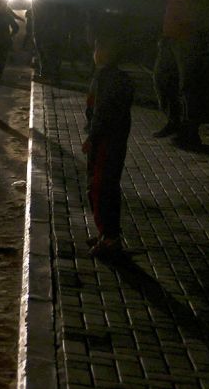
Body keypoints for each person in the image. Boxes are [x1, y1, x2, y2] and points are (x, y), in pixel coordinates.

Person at [144, 0, 208, 149]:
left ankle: (190, 133)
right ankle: (174, 121)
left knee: (187, 88)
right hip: (169, 38)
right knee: (161, 80)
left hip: (187, 40)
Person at [82, 35, 134, 259]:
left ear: (103, 52)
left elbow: (101, 113)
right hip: (115, 141)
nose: (94, 53)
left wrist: (92, 138)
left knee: (100, 187)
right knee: (107, 187)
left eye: (96, 48)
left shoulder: (106, 78)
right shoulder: (119, 78)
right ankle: (107, 233)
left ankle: (110, 239)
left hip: (105, 142)